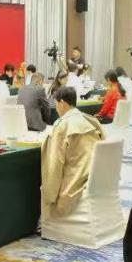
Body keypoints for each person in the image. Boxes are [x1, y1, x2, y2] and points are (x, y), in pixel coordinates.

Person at [41, 86, 105, 217]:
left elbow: (55, 165)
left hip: (73, 188)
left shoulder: (62, 126)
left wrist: (49, 197)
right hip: (97, 180)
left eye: (56, 104)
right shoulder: (91, 120)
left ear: (62, 103)